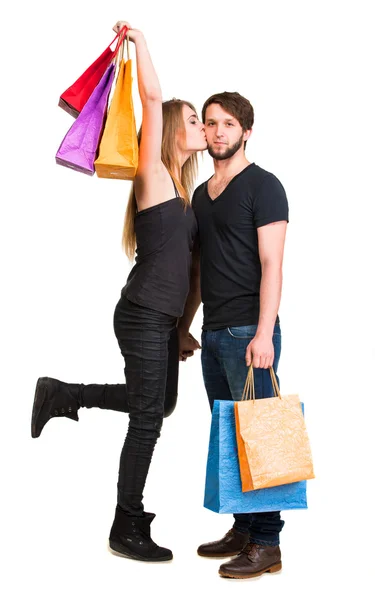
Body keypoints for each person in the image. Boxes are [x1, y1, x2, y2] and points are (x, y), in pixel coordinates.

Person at [31, 21, 206, 563]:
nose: (202, 125)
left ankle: (65, 393)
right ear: (173, 127)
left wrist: (182, 327)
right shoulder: (152, 174)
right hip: (140, 314)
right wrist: (143, 44)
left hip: (159, 319)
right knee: (148, 419)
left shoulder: (185, 192)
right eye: (196, 118)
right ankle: (126, 524)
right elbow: (151, 96)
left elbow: (190, 268)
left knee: (162, 405)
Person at [177, 91, 289, 579]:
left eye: (228, 123)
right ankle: (244, 529)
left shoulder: (264, 186)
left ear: (246, 131)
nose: (217, 131)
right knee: (229, 436)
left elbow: (272, 264)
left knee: (259, 437)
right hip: (214, 330)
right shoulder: (202, 195)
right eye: (210, 123)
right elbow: (199, 269)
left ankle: (267, 543)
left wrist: (264, 333)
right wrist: (184, 326)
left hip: (250, 331)